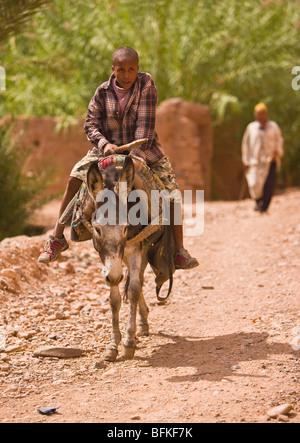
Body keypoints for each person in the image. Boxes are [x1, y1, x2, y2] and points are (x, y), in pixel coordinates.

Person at [38, 46, 199, 270]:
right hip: (105, 150)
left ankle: (179, 251)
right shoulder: (102, 92)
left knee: (171, 190)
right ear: (113, 69)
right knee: (75, 177)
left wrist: (134, 156)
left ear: (138, 69)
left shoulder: (146, 85)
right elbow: (90, 124)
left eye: (131, 69)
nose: (126, 75)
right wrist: (105, 144)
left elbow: (145, 125)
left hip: (144, 150)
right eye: (121, 70)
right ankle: (57, 239)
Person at [241, 103, 284, 213]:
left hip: (271, 161)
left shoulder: (273, 127)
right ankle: (258, 201)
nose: (261, 115)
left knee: (269, 185)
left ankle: (263, 208)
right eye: (259, 113)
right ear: (255, 114)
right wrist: (245, 160)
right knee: (254, 184)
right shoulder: (251, 128)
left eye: (263, 113)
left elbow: (279, 140)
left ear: (266, 114)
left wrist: (276, 153)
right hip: (255, 162)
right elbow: (246, 145)